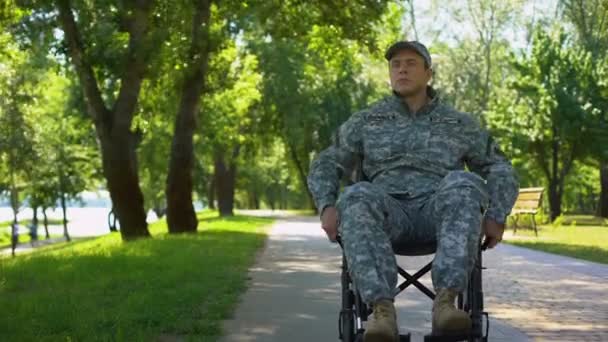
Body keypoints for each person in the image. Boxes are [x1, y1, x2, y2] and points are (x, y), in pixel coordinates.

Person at [307, 41, 518, 341]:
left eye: (410, 63)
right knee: (356, 194)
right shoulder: (368, 120)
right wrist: (327, 205)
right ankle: (381, 312)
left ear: (428, 73)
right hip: (387, 214)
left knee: (464, 183)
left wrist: (497, 214)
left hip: (440, 212)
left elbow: (500, 167)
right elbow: (327, 162)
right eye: (396, 64)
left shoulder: (458, 123)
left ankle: (445, 304)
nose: (402, 69)